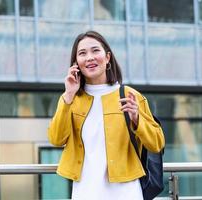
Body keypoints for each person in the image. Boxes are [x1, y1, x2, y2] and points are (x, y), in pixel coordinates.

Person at [47, 30, 165, 200]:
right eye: (82, 53)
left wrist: (136, 119)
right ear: (76, 63)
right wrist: (68, 95)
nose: (89, 57)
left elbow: (157, 144)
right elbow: (56, 139)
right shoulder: (70, 98)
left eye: (95, 51)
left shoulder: (130, 95)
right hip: (84, 191)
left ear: (107, 57)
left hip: (125, 192)